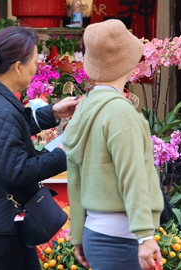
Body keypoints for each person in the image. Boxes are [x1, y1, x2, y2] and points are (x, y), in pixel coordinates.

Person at [0, 26, 79, 270]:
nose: (36, 67)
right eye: (34, 61)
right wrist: (65, 154)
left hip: (1, 226)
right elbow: (17, 171)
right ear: (18, 66)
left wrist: (52, 113)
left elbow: (9, 134)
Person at [63, 19, 165, 270]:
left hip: (95, 233)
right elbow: (133, 177)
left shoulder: (84, 108)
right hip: (124, 238)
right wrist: (145, 236)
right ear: (127, 62)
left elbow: (74, 178)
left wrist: (78, 235)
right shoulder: (120, 112)